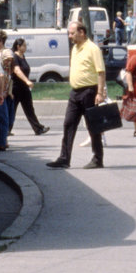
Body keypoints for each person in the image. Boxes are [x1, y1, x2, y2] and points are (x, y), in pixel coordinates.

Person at [47, 21, 106, 169]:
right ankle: (64, 158)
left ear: (82, 32)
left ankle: (98, 159)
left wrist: (99, 92)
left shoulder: (93, 48)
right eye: (69, 33)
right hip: (75, 92)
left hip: (89, 92)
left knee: (93, 126)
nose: (69, 36)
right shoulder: (75, 48)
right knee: (68, 123)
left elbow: (101, 72)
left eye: (72, 33)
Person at [7, 38, 49, 137]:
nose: (25, 47)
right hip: (16, 88)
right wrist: (27, 81)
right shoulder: (15, 57)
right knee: (12, 110)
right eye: (24, 46)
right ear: (18, 46)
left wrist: (26, 83)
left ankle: (38, 128)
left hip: (24, 89)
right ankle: (6, 129)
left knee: (29, 109)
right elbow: (17, 71)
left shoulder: (22, 56)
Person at [0, 30, 13, 152]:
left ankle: (1, 142)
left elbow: (6, 74)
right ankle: (2, 140)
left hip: (3, 88)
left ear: (1, 41)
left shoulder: (6, 53)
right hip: (1, 88)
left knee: (2, 116)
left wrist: (4, 91)